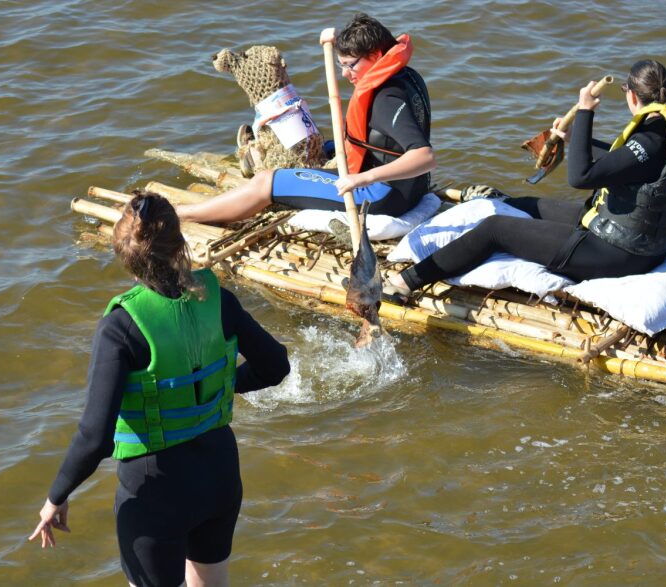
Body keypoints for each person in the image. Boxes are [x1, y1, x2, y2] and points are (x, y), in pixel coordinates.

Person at [29, 191, 290, 587]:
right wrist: (221, 386)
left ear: (124, 255)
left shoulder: (121, 327)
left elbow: (95, 436)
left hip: (156, 491)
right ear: (180, 243)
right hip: (219, 474)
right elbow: (276, 365)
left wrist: (56, 496)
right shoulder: (219, 300)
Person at [387, 59, 666, 295]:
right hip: (639, 240)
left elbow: (581, 176)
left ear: (632, 96)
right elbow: (628, 162)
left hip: (621, 254)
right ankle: (500, 214)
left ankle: (404, 283)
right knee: (524, 204)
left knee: (495, 228)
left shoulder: (649, 138)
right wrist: (571, 141)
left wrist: (584, 113)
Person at [176, 13, 435, 224]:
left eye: (350, 65)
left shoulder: (386, 100)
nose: (345, 74)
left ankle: (182, 215)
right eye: (341, 65)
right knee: (319, 146)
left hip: (382, 197)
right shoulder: (407, 75)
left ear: (376, 55)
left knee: (266, 180)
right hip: (410, 188)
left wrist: (359, 180)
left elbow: (424, 157)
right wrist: (337, 40)